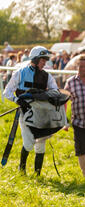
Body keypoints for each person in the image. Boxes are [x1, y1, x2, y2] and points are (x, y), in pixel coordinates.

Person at [3, 46, 60, 175]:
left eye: (46, 60)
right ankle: (22, 169)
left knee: (41, 143)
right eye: (42, 60)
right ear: (35, 58)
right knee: (29, 143)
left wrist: (50, 96)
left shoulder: (47, 76)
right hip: (26, 113)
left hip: (42, 114)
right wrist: (17, 100)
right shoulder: (20, 72)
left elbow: (55, 91)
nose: (45, 62)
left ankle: (37, 173)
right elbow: (7, 92)